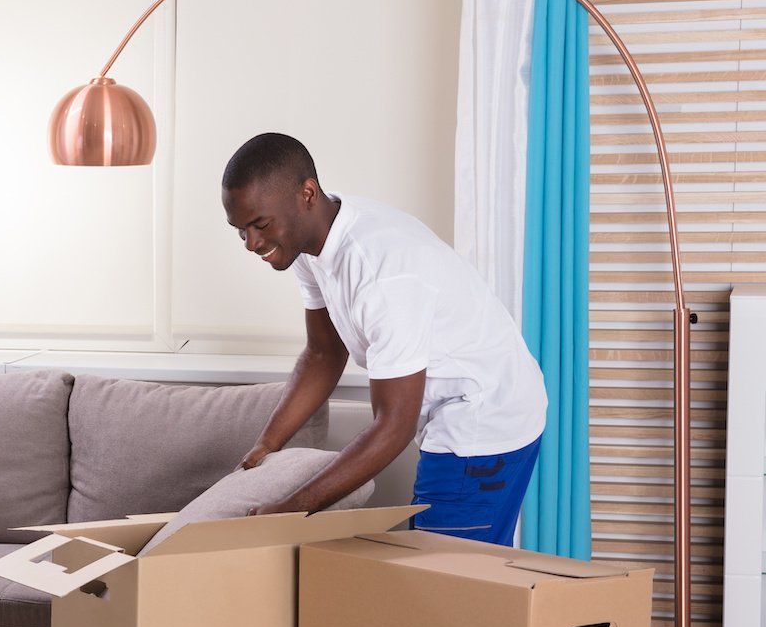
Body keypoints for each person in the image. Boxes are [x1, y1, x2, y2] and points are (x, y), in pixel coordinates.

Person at [222, 132, 546, 546]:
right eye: (240, 230)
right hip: (453, 410)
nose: (252, 244)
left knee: (445, 586)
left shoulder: (382, 274)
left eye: (259, 225)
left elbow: (392, 426)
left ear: (307, 194)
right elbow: (324, 352)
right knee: (452, 585)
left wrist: (289, 511)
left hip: (483, 415)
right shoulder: (308, 242)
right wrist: (266, 445)